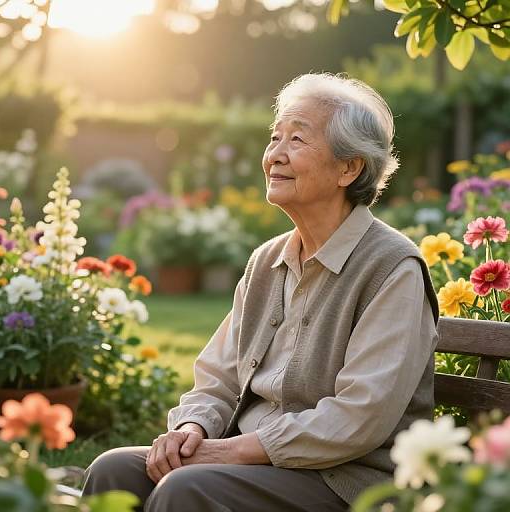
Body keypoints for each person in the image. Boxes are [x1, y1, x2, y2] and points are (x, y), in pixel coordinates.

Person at [82, 73, 439, 511]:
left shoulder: (392, 268)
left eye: (297, 140)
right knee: (112, 470)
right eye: (275, 138)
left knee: (186, 489)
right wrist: (194, 429)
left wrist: (230, 452)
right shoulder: (266, 262)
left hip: (347, 480)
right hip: (253, 464)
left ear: (349, 168)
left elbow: (359, 417)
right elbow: (219, 377)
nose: (275, 156)